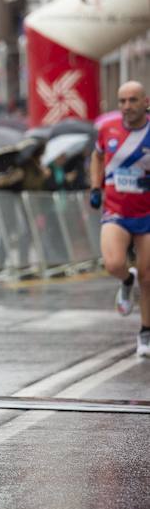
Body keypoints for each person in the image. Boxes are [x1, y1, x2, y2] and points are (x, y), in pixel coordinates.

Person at [89, 80, 150, 356]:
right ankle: (126, 281)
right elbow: (97, 156)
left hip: (147, 213)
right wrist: (95, 186)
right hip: (116, 210)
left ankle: (146, 333)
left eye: (133, 100)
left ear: (145, 102)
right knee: (114, 263)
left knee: (148, 278)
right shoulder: (107, 128)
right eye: (122, 101)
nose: (127, 107)